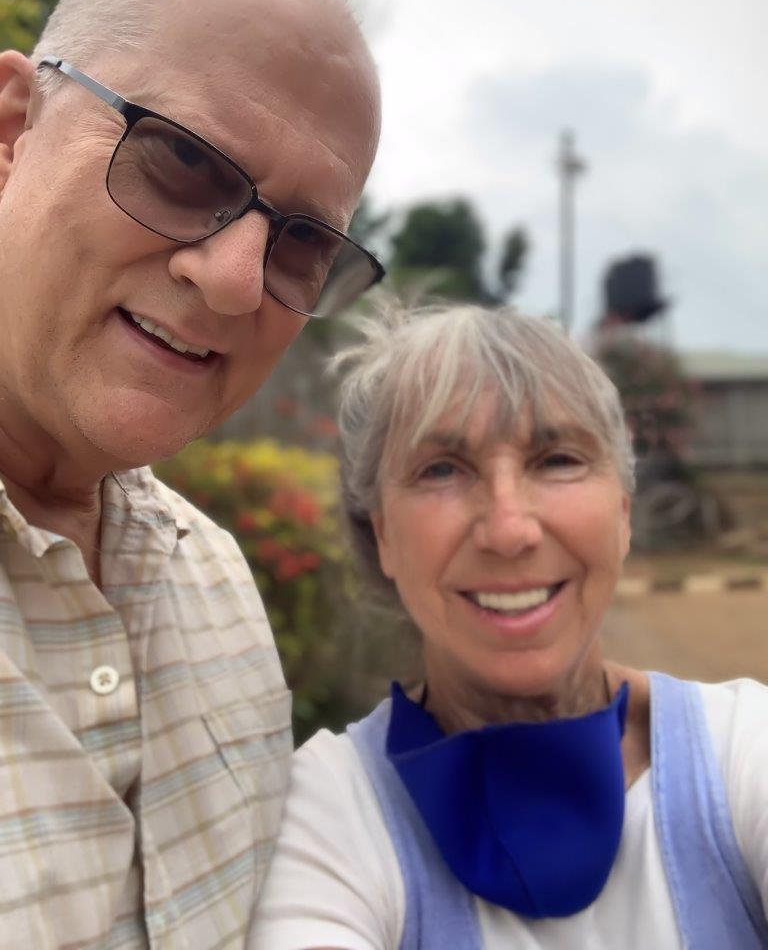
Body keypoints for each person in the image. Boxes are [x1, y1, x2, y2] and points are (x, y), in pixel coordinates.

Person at [0, 0, 382, 945]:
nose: (236, 280)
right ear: (12, 129)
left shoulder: (213, 581)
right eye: (179, 161)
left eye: (304, 242)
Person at [253, 301, 768, 949]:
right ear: (381, 533)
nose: (508, 529)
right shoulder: (331, 811)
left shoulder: (743, 751)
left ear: (623, 512)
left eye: (557, 460)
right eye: (442, 469)